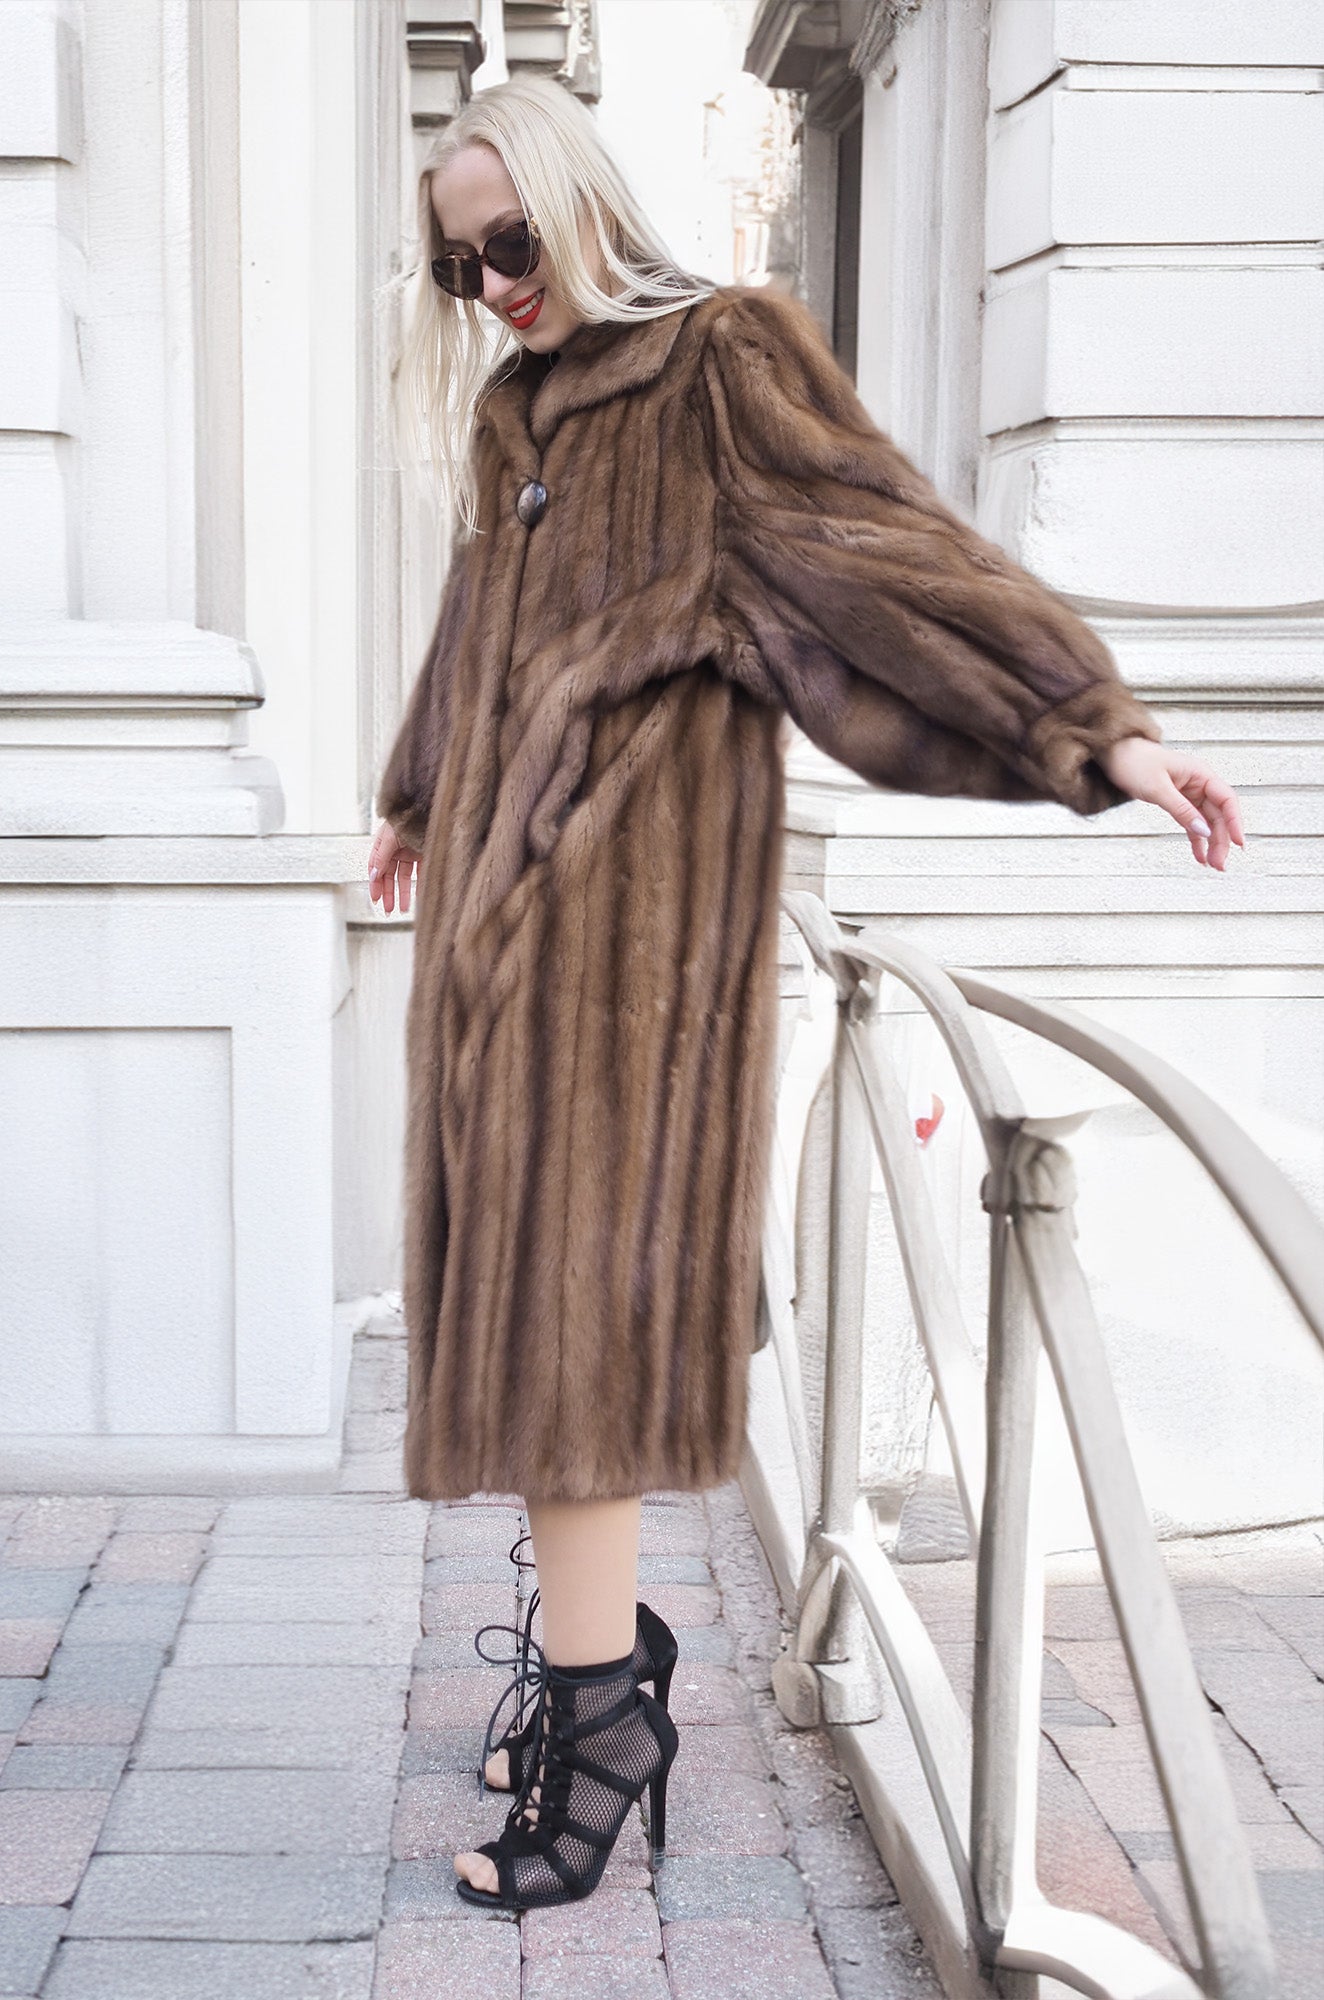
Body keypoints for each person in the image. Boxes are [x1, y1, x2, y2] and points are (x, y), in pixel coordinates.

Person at [366, 74, 1244, 1914]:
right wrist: (418, 794)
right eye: (465, 271)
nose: (499, 291)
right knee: (537, 1337)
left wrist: (1098, 732)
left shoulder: (720, 368)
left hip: (627, 962)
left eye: (514, 247)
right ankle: (602, 1668)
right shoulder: (521, 408)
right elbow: (480, 628)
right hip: (498, 956)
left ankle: (604, 1721)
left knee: (572, 1347)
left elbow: (887, 549)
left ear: (583, 206)